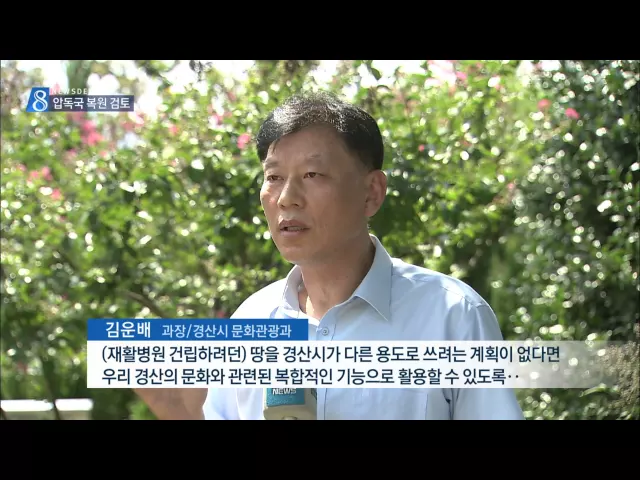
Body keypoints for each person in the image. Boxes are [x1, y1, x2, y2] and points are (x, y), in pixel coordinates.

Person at [201, 91, 525, 420]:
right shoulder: (250, 323)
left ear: (371, 193)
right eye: (274, 177)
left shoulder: (451, 316)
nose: (287, 198)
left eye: (312, 174)